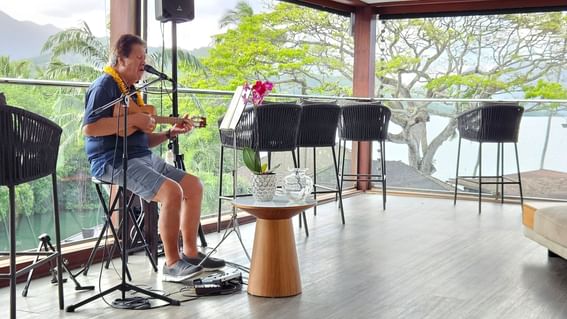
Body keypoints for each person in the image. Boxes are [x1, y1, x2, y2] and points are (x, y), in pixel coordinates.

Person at [82, 33, 224, 282]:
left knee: (193, 185)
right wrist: (133, 119)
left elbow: (141, 140)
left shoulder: (132, 92)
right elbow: (90, 128)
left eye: (144, 58)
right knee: (172, 192)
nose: (143, 63)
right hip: (112, 161)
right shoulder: (105, 85)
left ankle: (190, 253)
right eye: (138, 57)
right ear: (120, 58)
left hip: (141, 156)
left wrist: (169, 132)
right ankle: (171, 263)